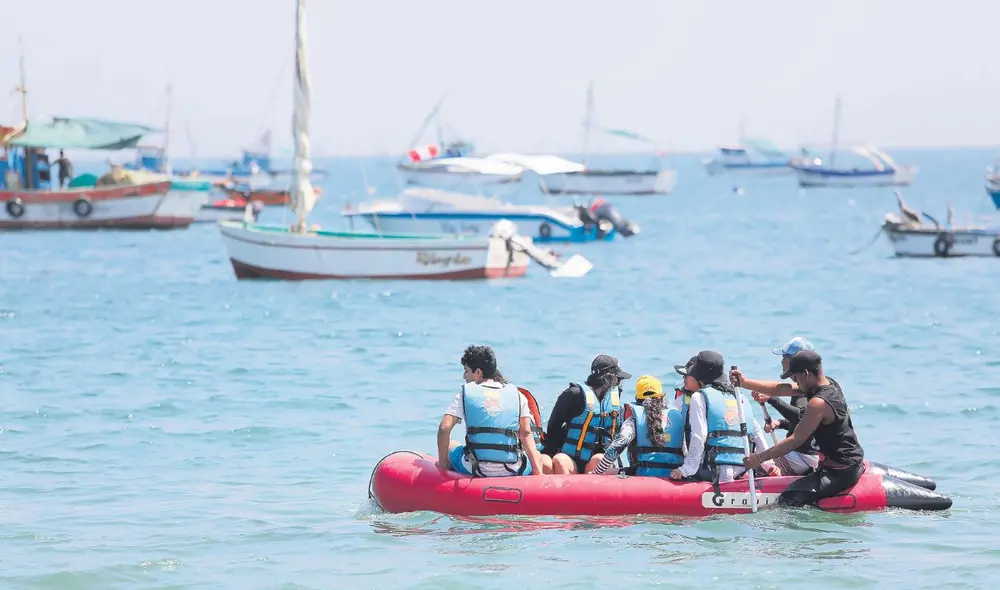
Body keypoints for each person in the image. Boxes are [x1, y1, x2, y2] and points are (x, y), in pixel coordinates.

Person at [741, 350, 865, 507]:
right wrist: (744, 382)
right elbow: (779, 389)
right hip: (847, 460)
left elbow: (795, 440)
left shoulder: (818, 403)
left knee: (788, 499)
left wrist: (758, 459)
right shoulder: (829, 383)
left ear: (806, 373)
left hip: (841, 470)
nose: (795, 382)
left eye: (795, 377)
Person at [437, 345, 547, 477]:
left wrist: (443, 464)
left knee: (452, 445)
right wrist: (538, 471)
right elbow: (526, 433)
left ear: (478, 372)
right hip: (513, 468)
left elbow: (444, 428)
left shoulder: (465, 393)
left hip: (476, 468)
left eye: (466, 371)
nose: (464, 376)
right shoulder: (518, 395)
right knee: (538, 455)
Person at [669, 351, 776, 484]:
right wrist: (769, 465)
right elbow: (756, 432)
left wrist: (686, 469)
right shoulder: (741, 397)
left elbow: (699, 436)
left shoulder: (700, 397)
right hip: (743, 469)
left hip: (714, 470)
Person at [543, 354, 631, 475]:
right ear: (608, 377)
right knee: (560, 460)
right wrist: (551, 452)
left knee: (600, 459)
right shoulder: (574, 394)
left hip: (595, 460)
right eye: (618, 378)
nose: (619, 383)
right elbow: (553, 426)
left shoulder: (612, 399)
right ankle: (566, 492)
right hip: (570, 458)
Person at [748, 337, 822, 475]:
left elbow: (803, 417)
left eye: (785, 357)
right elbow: (804, 422)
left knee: (757, 469)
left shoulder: (805, 389)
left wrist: (772, 399)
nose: (782, 361)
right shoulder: (809, 385)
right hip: (805, 455)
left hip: (804, 456)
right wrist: (780, 423)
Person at [591, 375, 686, 477]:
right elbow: (686, 450)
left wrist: (597, 472)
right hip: (672, 475)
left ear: (637, 398)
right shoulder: (676, 415)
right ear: (662, 396)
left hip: (642, 474)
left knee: (604, 473)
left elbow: (619, 444)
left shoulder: (633, 420)